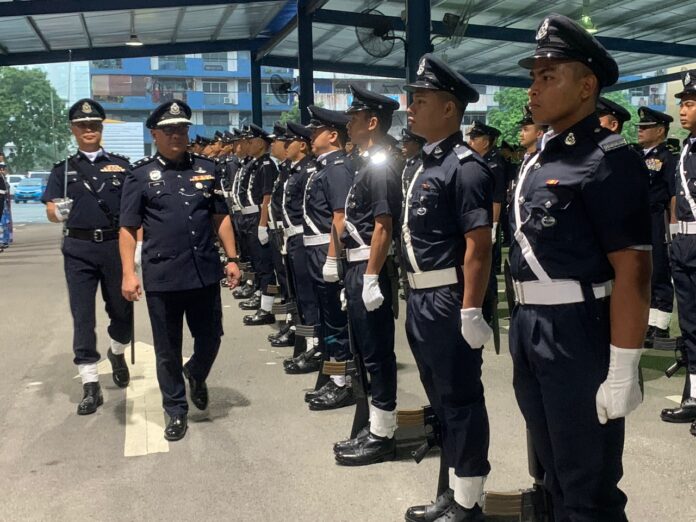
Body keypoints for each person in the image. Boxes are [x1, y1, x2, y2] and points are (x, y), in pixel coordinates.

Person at [511, 14, 651, 520]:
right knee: (549, 471)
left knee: (587, 484)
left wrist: (624, 365)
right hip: (530, 326)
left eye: (549, 76)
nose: (534, 88)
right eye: (534, 76)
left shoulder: (608, 158)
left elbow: (633, 269)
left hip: (578, 330)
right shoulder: (538, 159)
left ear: (587, 85)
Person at [401, 53, 494, 522]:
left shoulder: (466, 167)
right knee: (440, 400)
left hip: (447, 298)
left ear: (449, 109)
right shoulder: (421, 165)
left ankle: (469, 500)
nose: (410, 108)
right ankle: (452, 491)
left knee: (461, 400)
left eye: (420, 100)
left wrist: (471, 309)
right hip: (420, 297)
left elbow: (479, 246)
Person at [119, 100, 241, 441]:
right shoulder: (139, 175)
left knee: (211, 337)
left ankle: (196, 372)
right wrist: (128, 273)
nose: (177, 135)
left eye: (182, 129)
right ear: (155, 134)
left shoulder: (207, 168)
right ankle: (175, 410)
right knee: (167, 348)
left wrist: (232, 258)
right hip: (163, 275)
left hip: (203, 271)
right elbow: (127, 228)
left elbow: (220, 216)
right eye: (169, 130)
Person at [41, 98, 133, 415]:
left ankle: (117, 351)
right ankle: (90, 383)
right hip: (78, 249)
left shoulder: (122, 166)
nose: (89, 130)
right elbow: (50, 209)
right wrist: (57, 211)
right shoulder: (63, 169)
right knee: (82, 316)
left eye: (94, 125)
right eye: (82, 126)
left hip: (114, 247)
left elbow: (134, 211)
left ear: (101, 128)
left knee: (122, 313)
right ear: (73, 130)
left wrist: (136, 250)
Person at [332, 84, 402, 466]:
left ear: (372, 122)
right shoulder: (367, 162)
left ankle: (383, 434)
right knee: (363, 352)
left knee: (377, 354)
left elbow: (382, 226)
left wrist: (371, 276)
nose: (348, 123)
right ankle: (374, 425)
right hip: (357, 267)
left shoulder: (381, 164)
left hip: (368, 267)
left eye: (354, 117)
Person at [302, 105, 355, 410]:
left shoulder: (336, 168)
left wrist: (333, 258)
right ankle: (333, 375)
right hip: (316, 249)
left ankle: (342, 382)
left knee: (336, 322)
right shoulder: (325, 167)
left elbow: (340, 216)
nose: (311, 136)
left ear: (333, 135)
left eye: (316, 131)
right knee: (327, 320)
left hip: (327, 249)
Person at [660, 69, 696, 436]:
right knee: (691, 328)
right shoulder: (686, 147)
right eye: (682, 104)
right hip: (684, 248)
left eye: (690, 103)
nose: (683, 111)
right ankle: (694, 397)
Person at [279, 122, 323, 374]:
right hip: (293, 238)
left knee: (309, 297)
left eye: (290, 142)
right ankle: (307, 343)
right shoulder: (295, 170)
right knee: (300, 295)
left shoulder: (308, 171)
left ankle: (314, 346)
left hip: (304, 237)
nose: (285, 146)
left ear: (302, 145)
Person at [635, 107, 677, 346]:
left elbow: (673, 193)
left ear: (660, 131)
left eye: (646, 127)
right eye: (640, 127)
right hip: (638, 218)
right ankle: (648, 321)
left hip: (657, 217)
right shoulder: (636, 156)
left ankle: (660, 324)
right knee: (643, 270)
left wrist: (673, 224)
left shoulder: (667, 157)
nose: (640, 131)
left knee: (659, 268)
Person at [239, 124, 279, 326]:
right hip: (248, 217)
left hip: (257, 217)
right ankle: (259, 296)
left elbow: (266, 197)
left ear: (261, 143)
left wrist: (263, 224)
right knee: (255, 260)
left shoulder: (266, 165)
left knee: (264, 265)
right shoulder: (255, 164)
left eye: (251, 141)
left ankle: (267, 308)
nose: (247, 144)